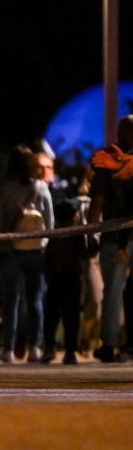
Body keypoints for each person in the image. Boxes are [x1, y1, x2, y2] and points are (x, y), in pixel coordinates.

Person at [0, 145, 54, 364]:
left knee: (10, 301)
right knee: (35, 300)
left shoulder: (4, 188)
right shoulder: (41, 187)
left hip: (9, 250)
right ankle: (35, 347)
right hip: (35, 250)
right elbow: (50, 221)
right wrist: (45, 245)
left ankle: (8, 348)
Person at [88, 116, 133, 362]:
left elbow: (98, 198)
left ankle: (109, 343)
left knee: (113, 292)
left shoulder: (108, 159)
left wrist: (90, 231)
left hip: (114, 236)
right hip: (120, 235)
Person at [40, 199, 93, 365]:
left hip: (55, 279)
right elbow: (83, 253)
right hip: (72, 279)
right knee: (71, 317)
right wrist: (95, 247)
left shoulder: (54, 234)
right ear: (74, 216)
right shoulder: (76, 234)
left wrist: (47, 274)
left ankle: (50, 347)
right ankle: (70, 351)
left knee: (52, 315)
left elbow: (47, 257)